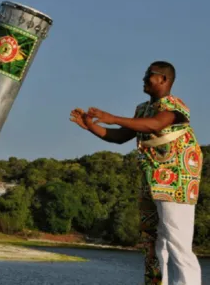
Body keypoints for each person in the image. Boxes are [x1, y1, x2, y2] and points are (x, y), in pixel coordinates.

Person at [70, 61, 202, 285]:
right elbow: (120, 136)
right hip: (152, 180)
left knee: (177, 241)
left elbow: (155, 125)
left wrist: (112, 117)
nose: (144, 78)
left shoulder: (175, 106)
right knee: (152, 241)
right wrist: (91, 126)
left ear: (164, 79)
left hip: (177, 180)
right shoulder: (142, 109)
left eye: (149, 75)